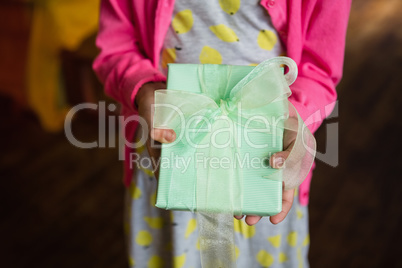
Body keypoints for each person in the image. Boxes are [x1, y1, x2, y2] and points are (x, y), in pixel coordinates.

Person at [93, 0, 351, 267]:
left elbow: (319, 68)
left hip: (266, 163)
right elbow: (115, 46)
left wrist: (294, 118)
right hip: (166, 150)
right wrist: (145, 89)